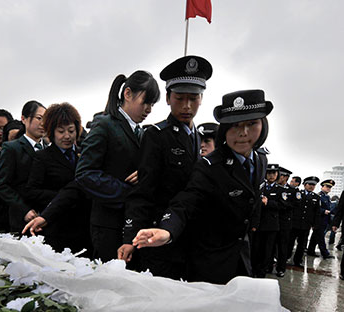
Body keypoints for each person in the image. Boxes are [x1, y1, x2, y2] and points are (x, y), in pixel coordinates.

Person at [132, 89, 272, 284]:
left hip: (242, 258)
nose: (243, 133)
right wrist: (167, 230)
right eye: (235, 126)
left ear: (263, 124)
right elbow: (186, 201)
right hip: (210, 264)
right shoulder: (210, 166)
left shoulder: (260, 160)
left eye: (251, 123)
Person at [119, 56, 212, 278]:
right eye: (180, 98)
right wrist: (130, 238)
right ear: (168, 99)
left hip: (189, 238)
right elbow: (143, 192)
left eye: (194, 98)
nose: (187, 106)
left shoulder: (198, 138)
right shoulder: (157, 136)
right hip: (157, 238)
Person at [74, 70, 160, 262]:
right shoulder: (105, 125)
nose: (149, 109)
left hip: (134, 223)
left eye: (152, 104)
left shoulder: (141, 132)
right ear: (127, 94)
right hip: (108, 224)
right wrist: (127, 193)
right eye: (145, 102)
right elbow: (84, 174)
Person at [22, 103, 91, 254]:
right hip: (57, 227)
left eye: (71, 131)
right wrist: (64, 197)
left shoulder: (84, 155)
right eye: (61, 131)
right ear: (51, 132)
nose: (67, 136)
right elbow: (31, 192)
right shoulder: (42, 158)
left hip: (85, 227)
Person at [0, 101, 46, 233]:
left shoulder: (49, 148)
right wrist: (24, 209)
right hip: (22, 219)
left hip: (46, 217)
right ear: (24, 119)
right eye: (39, 118)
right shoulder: (12, 148)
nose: (43, 123)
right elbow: (2, 184)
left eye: (46, 119)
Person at [289, 176, 321, 266]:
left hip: (306, 225)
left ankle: (297, 260)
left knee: (302, 245)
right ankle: (286, 257)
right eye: (310, 184)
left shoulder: (316, 197)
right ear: (304, 184)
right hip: (294, 223)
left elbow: (317, 212)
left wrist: (315, 224)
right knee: (289, 242)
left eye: (313, 185)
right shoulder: (297, 193)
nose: (312, 186)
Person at [275, 167, 296, 277]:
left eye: (280, 176)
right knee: (270, 245)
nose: (278, 177)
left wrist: (281, 204)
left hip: (285, 223)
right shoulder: (274, 188)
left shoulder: (292, 191)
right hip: (273, 221)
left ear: (285, 177)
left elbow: (294, 205)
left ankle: (281, 268)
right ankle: (268, 265)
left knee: (283, 247)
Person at [306, 179, 335, 259]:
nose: (328, 188)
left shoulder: (327, 197)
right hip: (319, 220)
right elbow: (315, 208)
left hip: (324, 220)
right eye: (327, 186)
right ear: (322, 187)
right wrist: (323, 211)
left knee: (315, 236)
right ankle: (325, 253)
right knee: (320, 237)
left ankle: (310, 250)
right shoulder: (319, 196)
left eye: (330, 187)